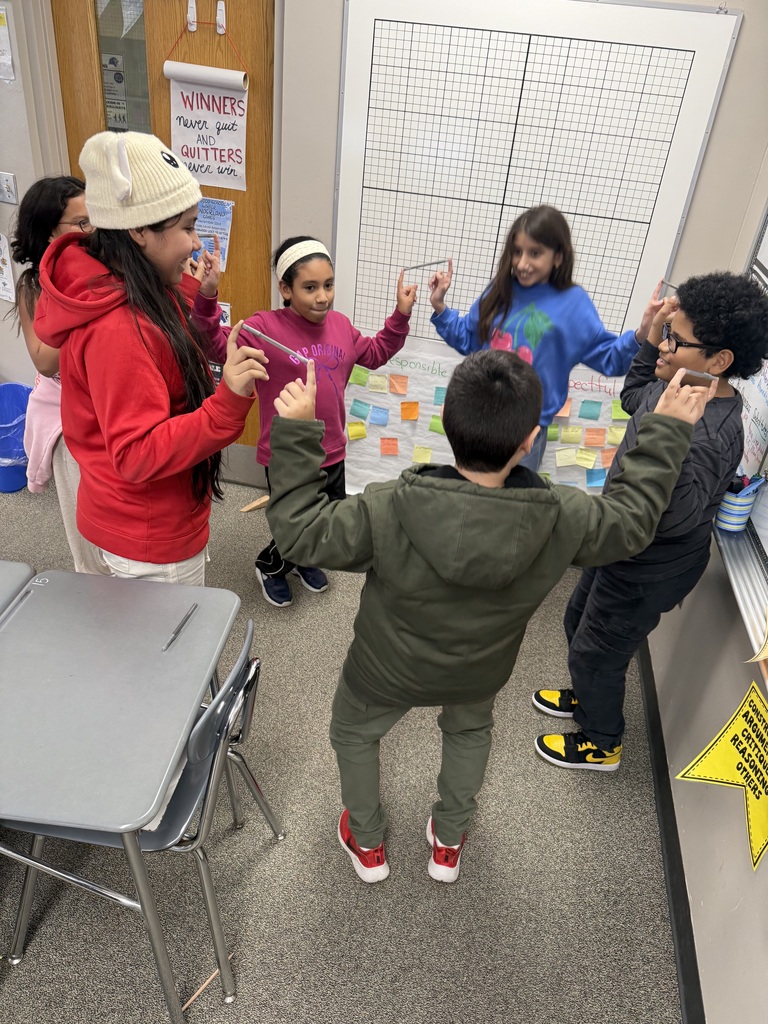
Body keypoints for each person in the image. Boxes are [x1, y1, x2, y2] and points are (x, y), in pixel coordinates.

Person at [264, 348, 715, 884]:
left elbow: (298, 532)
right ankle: (448, 841)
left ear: (448, 427)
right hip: (479, 669)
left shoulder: (386, 506)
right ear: (529, 442)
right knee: (469, 732)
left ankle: (367, 842)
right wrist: (666, 428)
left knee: (353, 735)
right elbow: (634, 522)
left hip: (383, 667)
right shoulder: (562, 516)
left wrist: (296, 431)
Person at [534, 272, 768, 770]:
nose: (663, 346)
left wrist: (671, 432)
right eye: (664, 334)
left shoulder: (707, 432)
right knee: (578, 621)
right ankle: (588, 694)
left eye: (675, 340)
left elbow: (677, 517)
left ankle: (602, 742)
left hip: (646, 567)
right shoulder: (676, 386)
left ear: (719, 361)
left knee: (599, 651)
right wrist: (646, 339)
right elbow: (631, 395)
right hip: (618, 545)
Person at [33, 131, 269, 584]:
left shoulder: (128, 284)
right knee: (170, 650)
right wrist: (228, 401)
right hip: (147, 536)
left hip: (144, 517)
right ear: (140, 230)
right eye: (186, 227)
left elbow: (160, 348)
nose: (195, 244)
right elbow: (138, 452)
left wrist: (194, 294)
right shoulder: (118, 329)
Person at [197, 235, 417, 608]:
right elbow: (218, 345)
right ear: (285, 288)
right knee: (293, 520)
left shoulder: (341, 326)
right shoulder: (265, 327)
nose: (322, 297)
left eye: (328, 285)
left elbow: (376, 353)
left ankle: (303, 558)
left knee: (324, 516)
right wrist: (207, 297)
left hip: (331, 446)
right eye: (310, 287)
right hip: (287, 450)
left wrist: (401, 315)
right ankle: (272, 563)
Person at [428, 205, 660, 469]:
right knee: (471, 498)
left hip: (526, 430)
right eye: (517, 252)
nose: (522, 263)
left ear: (558, 257)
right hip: (478, 416)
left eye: (535, 253)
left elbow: (610, 359)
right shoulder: (499, 290)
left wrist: (642, 333)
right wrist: (440, 307)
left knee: (514, 505)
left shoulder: (574, 304)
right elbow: (469, 340)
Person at [9, 176, 108, 574]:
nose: (92, 232)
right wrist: (83, 311)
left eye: (95, 220)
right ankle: (95, 590)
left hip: (109, 401)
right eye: (81, 224)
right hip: (69, 413)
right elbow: (45, 361)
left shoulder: (106, 268)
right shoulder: (35, 285)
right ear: (50, 231)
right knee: (85, 518)